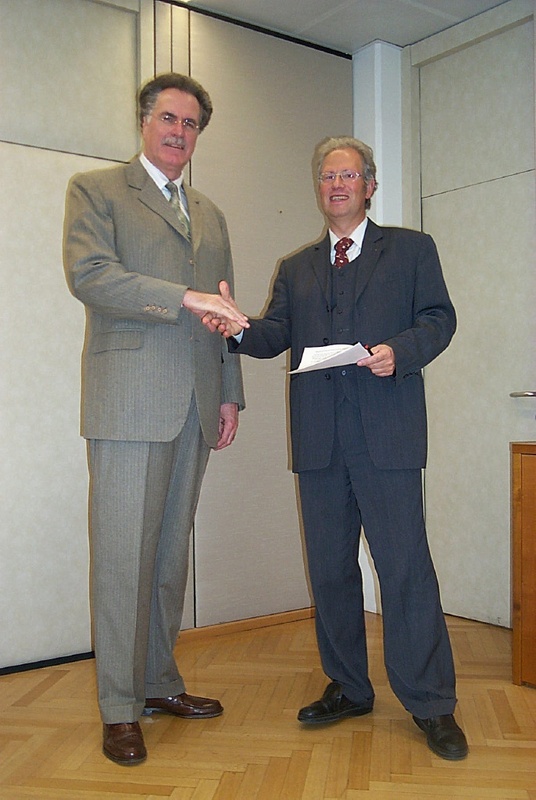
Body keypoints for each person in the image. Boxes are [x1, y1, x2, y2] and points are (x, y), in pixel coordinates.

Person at [205, 136, 468, 760]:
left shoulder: (410, 250)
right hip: (321, 443)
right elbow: (275, 334)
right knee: (329, 573)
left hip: (389, 440)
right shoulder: (297, 267)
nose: (337, 185)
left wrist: (399, 352)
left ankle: (432, 702)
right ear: (318, 188)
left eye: (349, 175)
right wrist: (237, 329)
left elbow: (439, 318)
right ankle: (349, 687)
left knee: (405, 571)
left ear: (370, 185)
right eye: (327, 176)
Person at [63, 72, 248, 766]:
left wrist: (230, 392)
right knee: (122, 561)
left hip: (197, 402)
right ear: (144, 122)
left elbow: (223, 313)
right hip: (129, 399)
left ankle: (157, 683)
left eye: (191, 123)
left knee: (168, 560)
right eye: (168, 118)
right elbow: (92, 275)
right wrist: (184, 296)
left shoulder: (211, 212)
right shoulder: (98, 190)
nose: (179, 131)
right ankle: (117, 707)